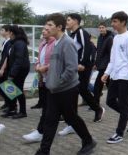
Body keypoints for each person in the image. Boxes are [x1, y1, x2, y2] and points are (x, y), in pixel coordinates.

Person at [36, 13, 96, 155]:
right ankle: (44, 151)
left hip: (66, 89)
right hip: (54, 89)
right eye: (46, 24)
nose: (46, 27)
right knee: (50, 120)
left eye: (50, 25)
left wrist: (58, 82)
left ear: (59, 27)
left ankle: (88, 141)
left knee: (72, 118)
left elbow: (71, 68)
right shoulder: (55, 42)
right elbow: (56, 66)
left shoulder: (67, 43)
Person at [59, 13, 105, 136]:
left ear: (75, 21)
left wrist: (82, 64)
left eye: (68, 20)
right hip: (75, 66)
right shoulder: (71, 34)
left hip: (83, 67)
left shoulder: (81, 32)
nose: (66, 22)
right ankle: (72, 118)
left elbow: (86, 49)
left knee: (82, 90)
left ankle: (98, 109)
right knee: (75, 90)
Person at [101, 11, 128, 144]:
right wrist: (106, 73)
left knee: (123, 105)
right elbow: (113, 59)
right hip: (115, 75)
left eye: (115, 21)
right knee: (110, 101)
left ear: (123, 22)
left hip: (126, 76)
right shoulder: (115, 38)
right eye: (112, 21)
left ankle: (119, 133)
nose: (112, 24)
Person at [22, 26, 55, 142]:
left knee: (56, 110)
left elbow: (57, 62)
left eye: (46, 30)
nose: (43, 32)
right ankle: (40, 132)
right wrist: (37, 66)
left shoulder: (56, 43)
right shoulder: (42, 44)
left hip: (55, 81)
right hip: (45, 80)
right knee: (48, 108)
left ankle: (40, 132)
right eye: (43, 30)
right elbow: (39, 60)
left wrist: (45, 68)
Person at [2, 25, 30, 119]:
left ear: (11, 33)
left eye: (8, 32)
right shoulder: (13, 42)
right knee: (10, 88)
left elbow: (19, 60)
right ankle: (12, 109)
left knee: (18, 90)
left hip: (20, 70)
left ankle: (22, 112)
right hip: (14, 69)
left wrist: (12, 74)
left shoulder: (20, 43)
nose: (7, 34)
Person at [94, 22, 114, 106]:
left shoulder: (110, 38)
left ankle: (95, 104)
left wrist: (109, 65)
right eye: (100, 28)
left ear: (106, 28)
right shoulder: (100, 37)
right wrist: (96, 63)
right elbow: (98, 52)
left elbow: (111, 53)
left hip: (106, 66)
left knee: (97, 86)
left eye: (103, 27)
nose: (101, 29)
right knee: (110, 85)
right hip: (100, 65)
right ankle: (115, 100)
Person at [0, 25, 12, 112]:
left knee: (8, 87)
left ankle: (11, 105)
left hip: (7, 68)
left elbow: (7, 57)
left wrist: (2, 68)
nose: (0, 31)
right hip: (2, 67)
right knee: (2, 86)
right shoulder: (5, 42)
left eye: (2, 30)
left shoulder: (10, 42)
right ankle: (7, 103)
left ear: (7, 31)